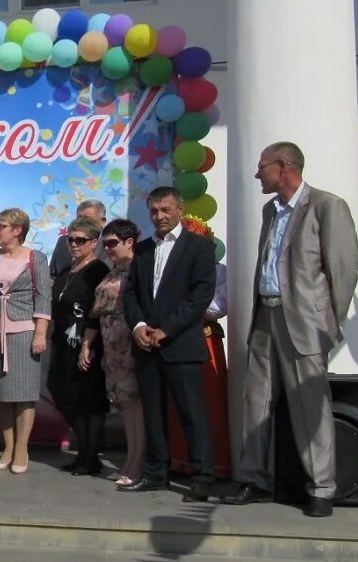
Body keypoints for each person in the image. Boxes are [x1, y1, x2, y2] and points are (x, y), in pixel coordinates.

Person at [222, 142, 358, 518]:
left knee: (309, 405)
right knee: (256, 401)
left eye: (262, 167)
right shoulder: (271, 210)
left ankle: (321, 489)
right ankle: (254, 479)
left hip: (304, 323)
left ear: (284, 167)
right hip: (266, 316)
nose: (257, 174)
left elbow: (344, 270)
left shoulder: (326, 206)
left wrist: (328, 323)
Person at [121, 186, 216, 502]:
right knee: (153, 412)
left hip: (181, 345)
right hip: (146, 345)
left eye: (165, 210)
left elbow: (200, 295)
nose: (159, 216)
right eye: (154, 211)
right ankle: (157, 472)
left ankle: (202, 476)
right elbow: (131, 293)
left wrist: (167, 329)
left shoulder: (200, 247)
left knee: (192, 413)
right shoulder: (145, 249)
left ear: (180, 209)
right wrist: (138, 326)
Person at [166, 215, 231, 480]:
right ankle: (180, 460)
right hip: (174, 337)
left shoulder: (219, 271)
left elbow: (219, 306)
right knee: (177, 402)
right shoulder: (170, 270)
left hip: (205, 341)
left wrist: (187, 308)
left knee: (206, 402)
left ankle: (212, 464)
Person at [0, 208, 52, 474]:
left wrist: (40, 333)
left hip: (25, 330)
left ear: (17, 230)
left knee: (24, 394)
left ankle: (22, 449)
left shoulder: (36, 258)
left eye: (2, 226)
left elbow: (44, 296)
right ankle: (7, 448)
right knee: (3, 395)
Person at [83, 218, 145, 487]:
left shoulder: (137, 269)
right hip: (111, 348)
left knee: (135, 405)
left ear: (129, 242)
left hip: (130, 345)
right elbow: (96, 313)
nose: (107, 249)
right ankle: (130, 459)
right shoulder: (113, 271)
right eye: (104, 244)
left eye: (112, 243)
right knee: (125, 406)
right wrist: (87, 343)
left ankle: (137, 461)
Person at [48, 216, 110, 476]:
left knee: (89, 401)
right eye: (70, 239)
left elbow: (98, 311)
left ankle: (89, 457)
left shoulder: (98, 271)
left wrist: (88, 343)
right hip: (63, 344)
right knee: (62, 393)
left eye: (80, 240)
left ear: (93, 242)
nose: (73, 244)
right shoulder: (66, 271)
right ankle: (86, 452)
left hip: (88, 344)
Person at [49, 199, 109, 278]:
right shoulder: (63, 242)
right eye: (79, 218)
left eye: (88, 219)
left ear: (102, 221)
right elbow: (51, 275)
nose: (83, 223)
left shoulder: (111, 245)